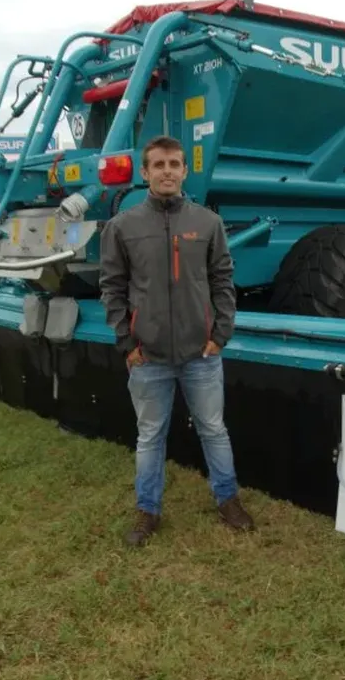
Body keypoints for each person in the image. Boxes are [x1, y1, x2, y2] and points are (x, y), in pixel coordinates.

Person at [98, 134, 255, 546]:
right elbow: (111, 288)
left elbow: (223, 280)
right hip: (147, 357)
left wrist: (220, 334)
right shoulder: (122, 227)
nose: (167, 172)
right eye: (158, 165)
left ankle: (227, 500)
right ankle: (147, 511)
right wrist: (126, 344)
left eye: (174, 164)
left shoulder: (207, 223)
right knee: (150, 436)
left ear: (185, 170)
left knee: (213, 429)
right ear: (145, 172)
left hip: (201, 354)